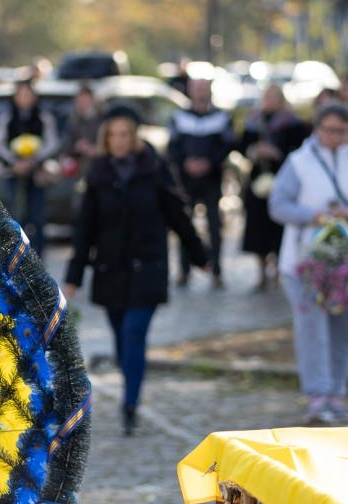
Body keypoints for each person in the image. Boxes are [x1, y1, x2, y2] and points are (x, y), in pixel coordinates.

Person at [63, 106, 208, 436]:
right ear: (105, 138)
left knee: (133, 333)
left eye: (125, 134)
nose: (119, 141)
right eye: (113, 135)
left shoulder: (153, 169)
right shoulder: (98, 174)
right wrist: (74, 276)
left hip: (148, 267)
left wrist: (200, 255)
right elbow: (85, 229)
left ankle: (130, 403)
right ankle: (131, 385)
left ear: (135, 136)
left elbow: (177, 214)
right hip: (111, 269)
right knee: (121, 339)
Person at [269, 101, 348, 424]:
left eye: (341, 131)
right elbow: (278, 205)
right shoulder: (299, 162)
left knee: (340, 327)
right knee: (311, 326)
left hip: (342, 262)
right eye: (329, 130)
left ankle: (337, 391)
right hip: (305, 262)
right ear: (317, 129)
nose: (334, 137)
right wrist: (312, 217)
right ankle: (317, 393)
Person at [239, 84, 308, 291]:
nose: (268, 100)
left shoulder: (293, 124)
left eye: (272, 96)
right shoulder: (254, 121)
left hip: (282, 180)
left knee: (278, 227)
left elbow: (299, 151)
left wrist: (276, 153)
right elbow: (241, 145)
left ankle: (278, 270)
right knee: (257, 229)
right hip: (258, 180)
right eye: (266, 96)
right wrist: (253, 151)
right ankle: (261, 272)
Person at [168, 77, 235, 288]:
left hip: (212, 179)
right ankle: (184, 270)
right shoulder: (179, 117)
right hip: (186, 180)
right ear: (190, 91)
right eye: (196, 88)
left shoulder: (222, 117)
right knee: (184, 224)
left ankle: (216, 270)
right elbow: (173, 147)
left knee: (215, 225)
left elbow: (227, 144)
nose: (200, 93)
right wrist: (186, 162)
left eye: (203, 88)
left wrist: (209, 162)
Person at [0, 79, 60, 256]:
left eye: (28, 94)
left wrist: (35, 159)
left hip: (38, 174)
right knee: (17, 216)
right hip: (14, 173)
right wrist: (14, 161)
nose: (25, 98)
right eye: (21, 94)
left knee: (38, 217)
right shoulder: (8, 117)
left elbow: (53, 143)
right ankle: (17, 257)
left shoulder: (44, 117)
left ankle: (38, 257)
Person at [59, 85, 101, 181]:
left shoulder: (102, 119)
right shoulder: (73, 120)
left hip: (97, 167)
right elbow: (65, 145)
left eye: (85, 99)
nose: (82, 102)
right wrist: (76, 147)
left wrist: (93, 149)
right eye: (79, 99)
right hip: (76, 167)